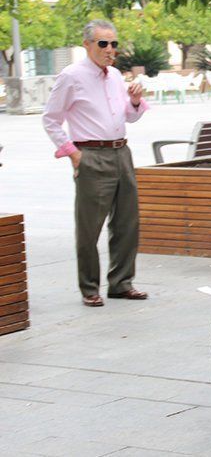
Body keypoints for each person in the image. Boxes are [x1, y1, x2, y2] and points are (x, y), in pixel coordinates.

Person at [42, 19, 150, 307]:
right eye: (103, 43)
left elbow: (128, 116)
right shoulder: (71, 76)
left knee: (127, 223)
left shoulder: (114, 76)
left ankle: (121, 283)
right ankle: (89, 287)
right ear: (87, 44)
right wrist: (73, 153)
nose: (110, 49)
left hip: (121, 153)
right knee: (89, 227)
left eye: (114, 43)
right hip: (91, 155)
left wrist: (135, 102)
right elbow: (50, 119)